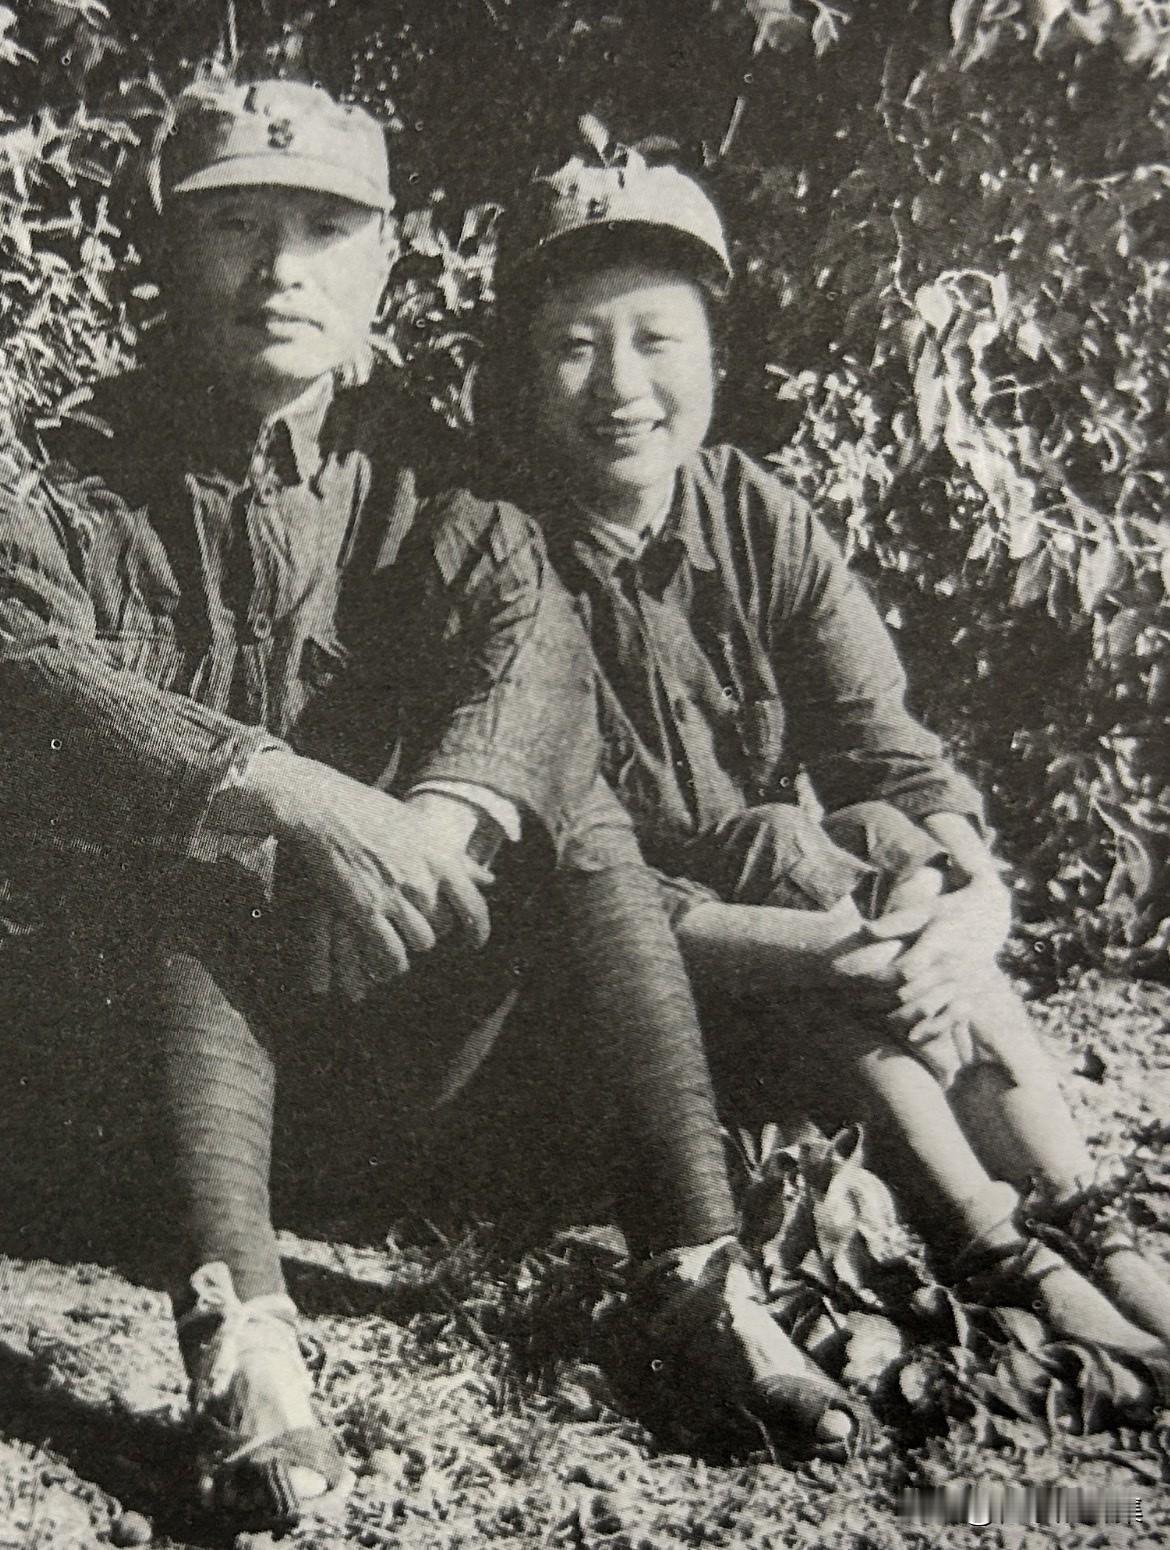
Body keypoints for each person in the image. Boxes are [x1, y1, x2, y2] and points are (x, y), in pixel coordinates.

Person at [0, 80, 862, 1529]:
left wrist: (426, 835)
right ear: (166, 253)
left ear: (384, 263)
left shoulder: (437, 475)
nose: (280, 270)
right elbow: (23, 666)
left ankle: (695, 1279)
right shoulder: (68, 465)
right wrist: (294, 794)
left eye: (324, 229)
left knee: (568, 802)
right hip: (120, 1087)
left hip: (375, 1043)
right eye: (235, 226)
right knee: (197, 823)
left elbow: (532, 653)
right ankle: (244, 1341)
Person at [483, 129, 1170, 1392]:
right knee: (805, 882)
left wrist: (970, 907)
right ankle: (1018, 1257)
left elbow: (887, 755)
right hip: (616, 1005)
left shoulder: (754, 511)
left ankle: (1095, 1220)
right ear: (522, 373)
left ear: (714, 355)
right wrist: (839, 946)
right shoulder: (494, 552)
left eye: (657, 337)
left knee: (885, 851)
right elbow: (562, 892)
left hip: (829, 946)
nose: (621, 383)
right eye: (576, 343)